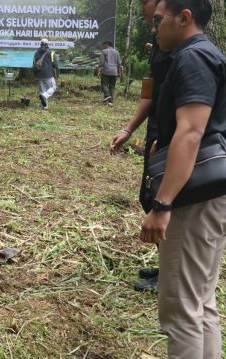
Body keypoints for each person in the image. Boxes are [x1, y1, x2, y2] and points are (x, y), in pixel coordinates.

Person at [138, 1, 226, 357]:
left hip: (192, 198)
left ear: (184, 17)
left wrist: (163, 203)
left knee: (180, 308)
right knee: (201, 301)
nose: (154, 29)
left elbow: (190, 133)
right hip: (208, 194)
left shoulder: (193, 59)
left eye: (159, 21)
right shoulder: (207, 55)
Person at [109, 0, 170, 292]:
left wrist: (167, 140)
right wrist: (128, 128)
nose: (152, 25)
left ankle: (171, 274)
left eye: (154, 19)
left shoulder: (187, 52)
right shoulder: (159, 45)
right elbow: (149, 89)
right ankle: (165, 265)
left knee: (165, 201)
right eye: (149, 21)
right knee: (149, 195)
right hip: (156, 132)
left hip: (170, 136)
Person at [33, 38, 58, 110]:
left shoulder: (36, 53)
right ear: (47, 44)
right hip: (48, 74)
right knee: (53, 87)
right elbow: (55, 65)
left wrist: (35, 75)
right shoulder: (51, 53)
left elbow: (34, 64)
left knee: (42, 90)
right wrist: (57, 74)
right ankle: (45, 96)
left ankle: (44, 106)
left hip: (39, 75)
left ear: (40, 44)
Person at [98, 40, 122, 105]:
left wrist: (99, 70)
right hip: (114, 71)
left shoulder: (104, 51)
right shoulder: (117, 52)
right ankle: (111, 102)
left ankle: (107, 95)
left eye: (104, 45)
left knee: (104, 84)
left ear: (107, 44)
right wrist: (119, 73)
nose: (103, 46)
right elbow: (119, 64)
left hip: (106, 71)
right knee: (112, 86)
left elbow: (102, 62)